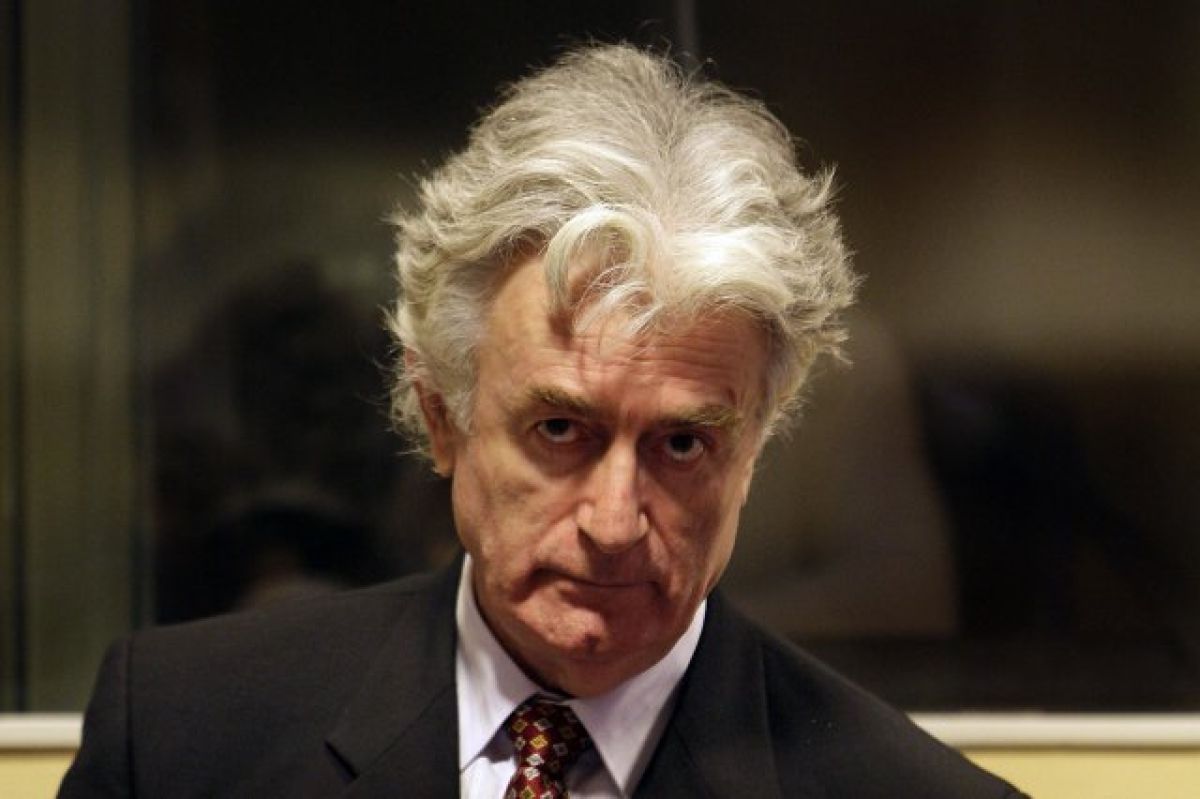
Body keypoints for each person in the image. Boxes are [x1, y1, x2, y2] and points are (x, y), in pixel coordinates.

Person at [60, 44, 1027, 798]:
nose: (614, 520)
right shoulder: (182, 737)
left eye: (681, 443)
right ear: (442, 416)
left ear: (753, 451)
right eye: (561, 430)